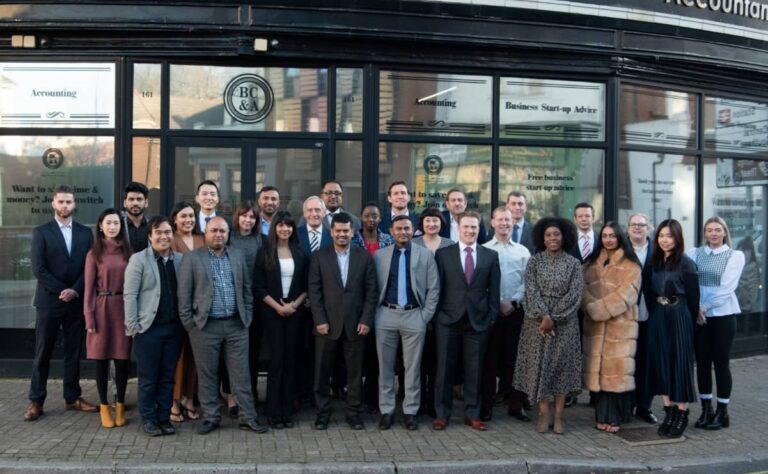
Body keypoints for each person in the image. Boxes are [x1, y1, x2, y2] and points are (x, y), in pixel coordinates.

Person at [177, 216, 268, 435]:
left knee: (241, 374)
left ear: (228, 234)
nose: (218, 235)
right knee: (207, 375)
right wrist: (191, 326)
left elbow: (246, 289)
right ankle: (211, 417)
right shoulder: (192, 258)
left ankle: (248, 417)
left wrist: (247, 317)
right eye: (214, 231)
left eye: (223, 231)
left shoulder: (237, 255)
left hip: (237, 325)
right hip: (205, 327)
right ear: (206, 233)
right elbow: (184, 296)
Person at [25, 185, 98, 422]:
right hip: (49, 301)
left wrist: (75, 290)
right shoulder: (41, 232)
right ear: (53, 204)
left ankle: (72, 397)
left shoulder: (85, 233)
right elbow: (39, 269)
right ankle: (36, 401)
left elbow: (89, 267)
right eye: (61, 202)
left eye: (69, 202)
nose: (65, 205)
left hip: (75, 302)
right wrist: (62, 290)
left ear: (74, 204)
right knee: (43, 352)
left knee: (73, 352)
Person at [309, 213, 377, 430]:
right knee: (322, 372)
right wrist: (319, 320)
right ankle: (322, 413)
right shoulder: (319, 257)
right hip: (326, 325)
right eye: (338, 231)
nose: (342, 234)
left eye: (346, 231)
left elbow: (371, 292)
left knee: (355, 374)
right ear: (331, 232)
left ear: (352, 232)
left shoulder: (364, 257)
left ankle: (353, 413)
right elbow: (314, 291)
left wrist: (366, 319)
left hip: (356, 325)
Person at [432, 211, 500, 432]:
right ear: (458, 229)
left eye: (474, 227)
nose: (470, 231)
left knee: (475, 370)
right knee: (444, 370)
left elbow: (494, 291)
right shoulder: (443, 254)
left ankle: (472, 414)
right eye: (466, 227)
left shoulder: (490, 256)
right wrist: (438, 316)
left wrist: (491, 317)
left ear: (479, 229)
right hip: (448, 320)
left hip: (478, 322)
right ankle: (442, 414)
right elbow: (437, 288)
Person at [514, 216, 583, 435]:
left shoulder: (573, 264)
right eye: (548, 235)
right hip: (536, 323)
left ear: (564, 237)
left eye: (556, 234)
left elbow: (575, 295)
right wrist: (544, 316)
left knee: (561, 369)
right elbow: (531, 291)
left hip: (565, 324)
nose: (552, 238)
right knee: (539, 367)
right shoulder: (534, 262)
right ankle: (543, 413)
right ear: (542, 239)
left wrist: (553, 318)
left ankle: (559, 415)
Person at [374, 215, 440, 431]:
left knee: (412, 368)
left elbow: (433, 288)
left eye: (407, 228)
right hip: (386, 315)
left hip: (414, 315)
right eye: (399, 228)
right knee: (385, 367)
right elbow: (372, 286)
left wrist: (424, 316)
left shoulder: (425, 255)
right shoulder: (380, 255)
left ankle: (410, 411)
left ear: (413, 231)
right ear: (391, 231)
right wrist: (376, 314)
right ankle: (387, 410)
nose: (403, 232)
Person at [124, 216, 185, 437]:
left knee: (168, 377)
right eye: (158, 232)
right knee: (149, 378)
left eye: (167, 232)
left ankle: (163, 417)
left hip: (174, 329)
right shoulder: (138, 260)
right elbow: (130, 295)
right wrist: (133, 327)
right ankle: (149, 419)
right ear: (150, 236)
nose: (163, 236)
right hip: (148, 330)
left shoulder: (180, 260)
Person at [582, 222, 642, 433]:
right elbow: (582, 289)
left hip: (620, 327)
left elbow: (628, 294)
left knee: (616, 375)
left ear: (620, 238)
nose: (608, 240)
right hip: (595, 328)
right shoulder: (590, 264)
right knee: (599, 376)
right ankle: (602, 417)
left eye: (613, 236)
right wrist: (591, 307)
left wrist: (599, 309)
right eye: (605, 236)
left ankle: (615, 418)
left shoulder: (631, 266)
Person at [686, 217, 745, 431]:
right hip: (699, 315)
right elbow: (688, 281)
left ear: (724, 232)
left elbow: (727, 287)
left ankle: (722, 411)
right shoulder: (694, 253)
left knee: (721, 363)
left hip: (722, 315)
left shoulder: (734, 256)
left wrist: (704, 307)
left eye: (718, 230)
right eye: (709, 230)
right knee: (702, 362)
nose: (713, 233)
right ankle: (706, 409)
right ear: (705, 233)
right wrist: (697, 308)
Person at [644, 219, 699, 438]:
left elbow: (694, 298)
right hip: (658, 316)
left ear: (677, 238)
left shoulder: (686, 263)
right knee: (661, 362)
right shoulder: (654, 263)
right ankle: (668, 411)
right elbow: (648, 292)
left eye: (669, 236)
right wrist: (656, 312)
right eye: (661, 236)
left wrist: (688, 319)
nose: (664, 240)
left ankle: (681, 413)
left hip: (679, 316)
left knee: (680, 363)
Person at [254, 211, 308, 429]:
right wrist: (279, 307)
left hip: (295, 313)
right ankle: (273, 411)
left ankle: (287, 410)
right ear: (274, 228)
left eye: (289, 226)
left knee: (291, 361)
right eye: (281, 225)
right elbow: (258, 287)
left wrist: (293, 306)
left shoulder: (300, 253)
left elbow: (306, 286)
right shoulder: (264, 252)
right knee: (276, 361)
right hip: (272, 314)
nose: (285, 229)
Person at [480, 207, 531, 423]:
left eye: (508, 220)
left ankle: (515, 405)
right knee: (489, 361)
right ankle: (486, 406)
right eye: (500, 219)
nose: (504, 223)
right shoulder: (483, 249)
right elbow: (480, 282)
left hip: (515, 312)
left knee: (515, 361)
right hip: (490, 312)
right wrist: (498, 301)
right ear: (492, 222)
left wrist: (513, 300)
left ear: (513, 223)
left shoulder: (523, 251)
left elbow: (528, 281)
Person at [84, 208, 133, 429]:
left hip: (123, 308)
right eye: (109, 223)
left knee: (122, 360)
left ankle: (120, 405)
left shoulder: (128, 252)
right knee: (101, 360)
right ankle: (104, 406)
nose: (113, 227)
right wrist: (89, 317)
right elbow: (88, 289)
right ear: (101, 226)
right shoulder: (94, 254)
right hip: (101, 308)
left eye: (116, 223)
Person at [412, 206, 453, 418]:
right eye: (428, 220)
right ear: (422, 224)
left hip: (444, 308)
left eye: (435, 220)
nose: (431, 224)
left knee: (438, 361)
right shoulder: (413, 243)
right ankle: (417, 403)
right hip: (418, 308)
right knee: (418, 360)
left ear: (441, 224)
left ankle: (434, 403)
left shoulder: (450, 245)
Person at [169, 201, 204, 422]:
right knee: (178, 355)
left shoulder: (203, 240)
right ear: (175, 219)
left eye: (191, 216)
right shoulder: (170, 240)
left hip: (201, 307)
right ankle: (174, 400)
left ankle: (189, 397)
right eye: (183, 216)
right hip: (177, 305)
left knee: (195, 355)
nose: (188, 220)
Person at [228, 200, 264, 415]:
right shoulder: (229, 238)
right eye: (244, 216)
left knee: (252, 351)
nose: (248, 220)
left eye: (252, 217)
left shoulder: (261, 240)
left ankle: (251, 392)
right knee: (232, 352)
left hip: (257, 302)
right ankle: (231, 396)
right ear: (237, 217)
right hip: (232, 302)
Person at [627, 212, 658, 424]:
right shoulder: (621, 250)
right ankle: (627, 404)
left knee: (647, 361)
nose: (638, 228)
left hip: (650, 313)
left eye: (642, 225)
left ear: (649, 228)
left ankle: (644, 405)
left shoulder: (658, 251)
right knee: (628, 361)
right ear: (628, 228)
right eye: (634, 225)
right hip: (625, 314)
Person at [122, 181, 150, 253]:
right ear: (125, 203)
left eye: (139, 199)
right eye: (131, 199)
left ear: (146, 203)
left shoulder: (152, 226)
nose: (135, 203)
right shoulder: (119, 226)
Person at [735, 236, 760, 313]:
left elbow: (753, 290)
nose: (744, 254)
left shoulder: (753, 268)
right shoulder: (735, 268)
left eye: (746, 251)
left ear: (751, 252)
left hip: (747, 308)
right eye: (741, 252)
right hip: (736, 307)